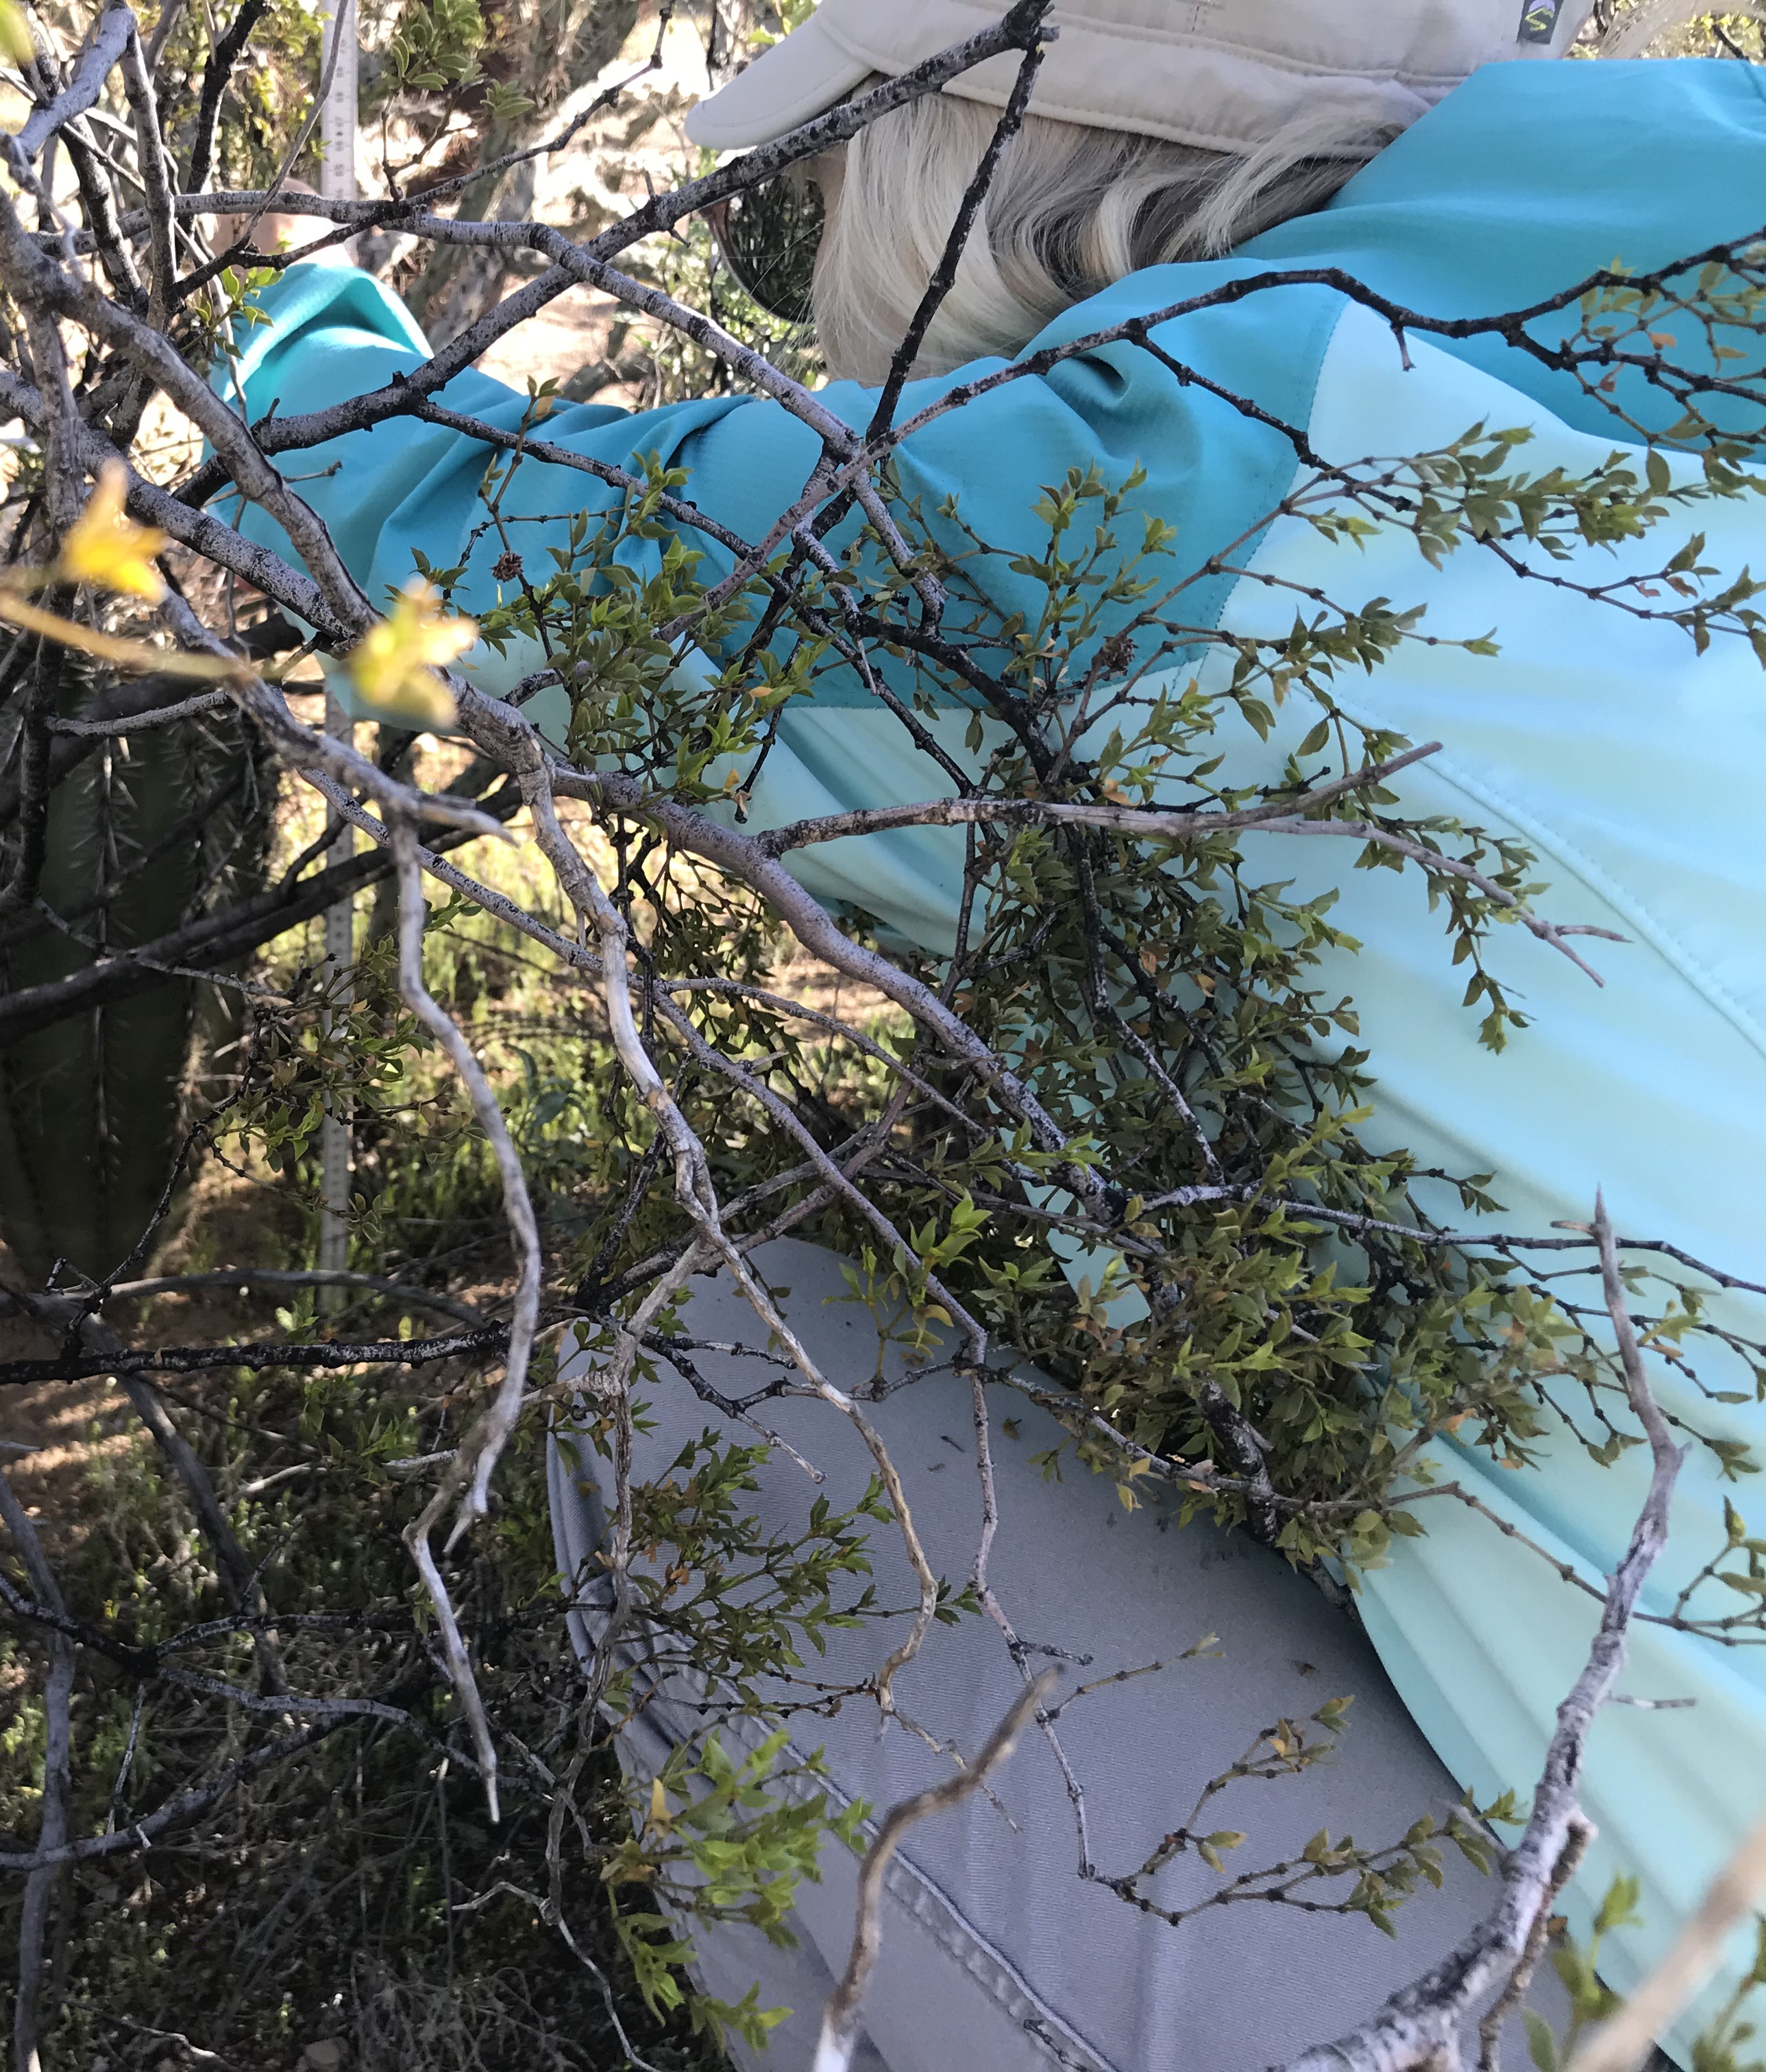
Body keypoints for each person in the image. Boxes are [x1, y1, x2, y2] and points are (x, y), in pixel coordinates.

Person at [212, 4, 1766, 2066]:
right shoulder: (1692, 276)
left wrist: (275, 325)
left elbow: (433, 522)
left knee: (724, 1401)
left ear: (1008, 175)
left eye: (836, 175)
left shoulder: (1140, 510)